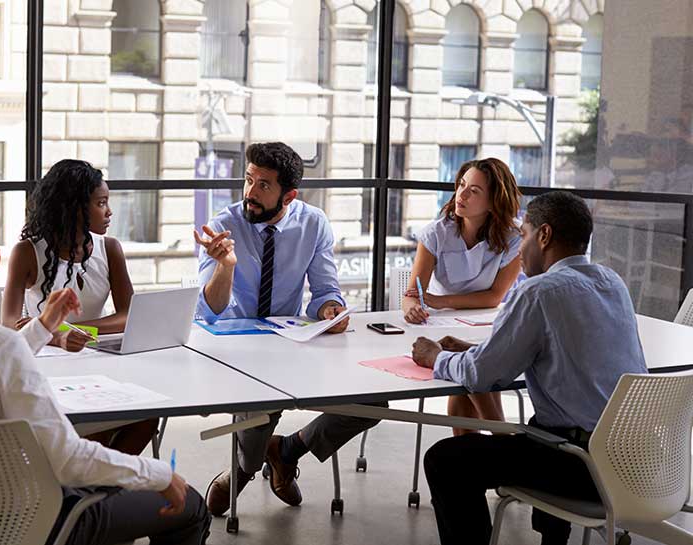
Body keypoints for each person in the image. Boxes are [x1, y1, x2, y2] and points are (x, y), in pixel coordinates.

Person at [0, 193, 211, 545]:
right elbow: (68, 461)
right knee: (189, 506)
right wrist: (160, 475)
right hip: (35, 520)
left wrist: (43, 326)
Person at [411, 191, 647, 545]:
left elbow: (481, 376)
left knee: (446, 462)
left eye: (523, 235)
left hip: (583, 465)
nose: (519, 248)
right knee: (542, 428)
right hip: (633, 458)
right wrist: (486, 349)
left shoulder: (538, 291)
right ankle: (554, 538)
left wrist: (435, 358)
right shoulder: (612, 282)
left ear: (545, 236)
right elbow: (567, 349)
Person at [195, 141, 383, 516]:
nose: (250, 192)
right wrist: (225, 266)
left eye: (263, 185)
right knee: (258, 409)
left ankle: (287, 449)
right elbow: (210, 310)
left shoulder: (313, 223)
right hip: (236, 347)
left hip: (290, 341)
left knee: (372, 403)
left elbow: (326, 292)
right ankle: (242, 472)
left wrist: (332, 309)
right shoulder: (222, 226)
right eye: (249, 180)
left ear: (289, 194)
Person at [3, 159, 158, 456]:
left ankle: (94, 488)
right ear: (74, 207)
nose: (110, 211)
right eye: (101, 203)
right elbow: (9, 325)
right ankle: (90, 485)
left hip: (98, 363)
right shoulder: (27, 252)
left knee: (149, 416)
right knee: (84, 423)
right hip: (47, 366)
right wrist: (56, 336)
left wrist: (74, 329)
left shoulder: (109, 248)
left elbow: (129, 315)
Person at [402, 158, 522, 435]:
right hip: (444, 327)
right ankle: (500, 440)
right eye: (461, 186)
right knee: (469, 376)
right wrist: (412, 307)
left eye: (474, 190)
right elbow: (412, 294)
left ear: (494, 202)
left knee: (470, 371)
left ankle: (498, 442)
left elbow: (494, 297)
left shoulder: (514, 237)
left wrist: (438, 301)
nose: (462, 195)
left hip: (488, 324)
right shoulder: (436, 233)